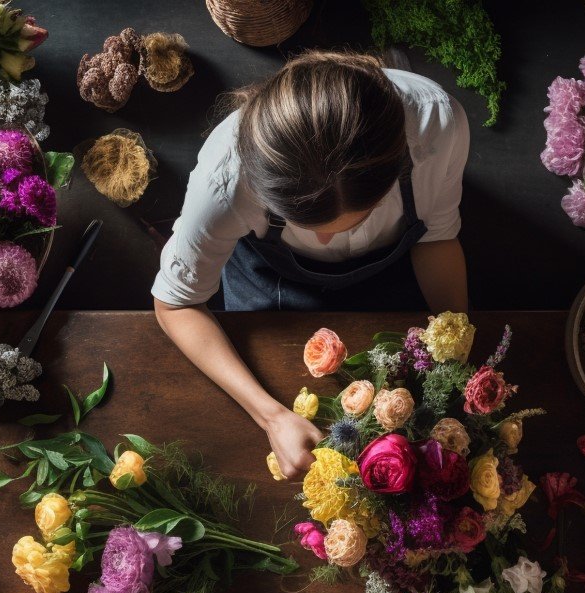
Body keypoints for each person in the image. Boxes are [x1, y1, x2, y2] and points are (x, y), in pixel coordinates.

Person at [153, 51, 470, 480]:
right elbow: (175, 305)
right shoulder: (224, 180)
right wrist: (272, 418)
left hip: (396, 261)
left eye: (350, 222)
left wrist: (457, 351)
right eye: (305, 223)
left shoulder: (437, 126)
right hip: (272, 275)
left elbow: (436, 238)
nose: (324, 240)